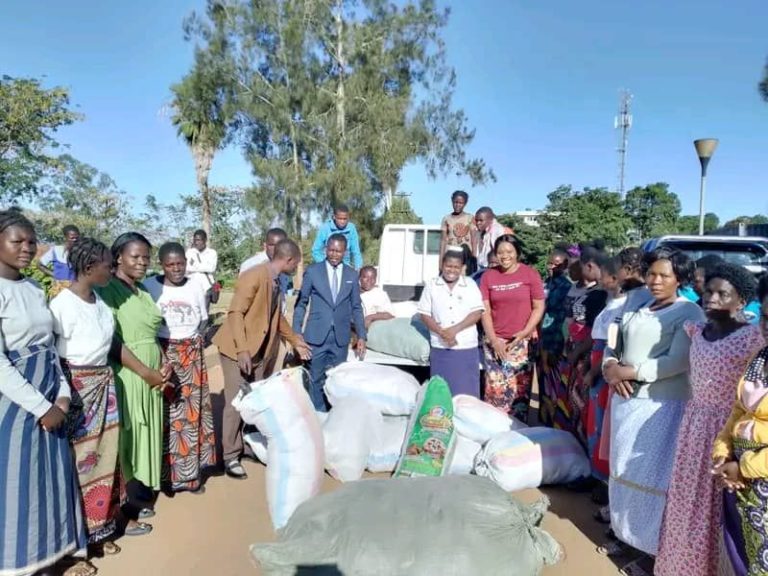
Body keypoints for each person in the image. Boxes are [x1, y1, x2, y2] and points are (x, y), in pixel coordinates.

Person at [599, 248, 705, 570]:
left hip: (660, 408)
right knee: (624, 471)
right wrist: (610, 365)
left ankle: (651, 551)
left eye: (665, 275)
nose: (655, 281)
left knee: (653, 480)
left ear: (680, 279)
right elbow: (613, 341)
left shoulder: (689, 312)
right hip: (626, 402)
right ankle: (626, 535)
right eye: (652, 274)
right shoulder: (640, 305)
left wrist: (629, 372)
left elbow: (677, 361)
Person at [656, 264, 763, 576]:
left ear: (741, 301)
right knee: (687, 501)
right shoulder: (698, 332)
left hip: (726, 431)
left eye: (722, 293)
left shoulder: (751, 338)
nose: (712, 298)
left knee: (716, 506)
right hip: (694, 427)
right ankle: (679, 567)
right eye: (709, 291)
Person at [0, 210, 87, 576]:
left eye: (31, 242)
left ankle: (51, 553)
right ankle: (18, 563)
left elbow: (50, 348)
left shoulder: (35, 288)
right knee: (17, 487)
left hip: (52, 398)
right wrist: (41, 406)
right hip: (16, 405)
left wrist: (63, 395)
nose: (26, 248)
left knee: (49, 482)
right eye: (16, 241)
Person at [50, 238, 132, 570]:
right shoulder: (60, 307)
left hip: (104, 387)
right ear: (88, 268)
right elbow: (52, 359)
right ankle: (75, 545)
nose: (112, 270)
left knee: (105, 460)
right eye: (107, 266)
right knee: (79, 464)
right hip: (75, 392)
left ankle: (100, 530)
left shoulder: (99, 302)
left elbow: (108, 344)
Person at [214, 239, 311, 479]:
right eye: (297, 263)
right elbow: (235, 312)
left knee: (253, 400)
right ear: (288, 260)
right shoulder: (255, 275)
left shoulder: (278, 280)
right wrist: (242, 349)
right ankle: (229, 456)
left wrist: (295, 340)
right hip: (237, 348)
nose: (296, 266)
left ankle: (244, 444)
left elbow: (276, 319)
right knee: (235, 402)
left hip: (258, 349)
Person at [98, 232, 168, 520]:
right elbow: (112, 340)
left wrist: (164, 363)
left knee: (149, 431)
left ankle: (143, 485)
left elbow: (151, 334)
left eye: (145, 258)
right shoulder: (108, 290)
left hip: (153, 372)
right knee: (131, 435)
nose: (142, 263)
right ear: (118, 258)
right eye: (135, 257)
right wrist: (145, 371)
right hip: (129, 373)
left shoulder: (142, 290)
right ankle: (129, 496)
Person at [145, 243, 216, 495]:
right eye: (170, 264)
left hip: (192, 355)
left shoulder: (197, 285)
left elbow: (204, 319)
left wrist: (195, 344)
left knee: (193, 414)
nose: (176, 269)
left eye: (180, 264)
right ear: (161, 264)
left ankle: (190, 476)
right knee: (168, 416)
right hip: (164, 354)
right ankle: (166, 477)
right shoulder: (150, 287)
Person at [712, 274, 768, 576]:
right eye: (767, 318)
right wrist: (723, 452)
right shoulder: (760, 357)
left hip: (758, 474)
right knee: (741, 551)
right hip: (738, 474)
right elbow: (738, 411)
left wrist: (744, 467)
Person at [294, 234, 367, 411]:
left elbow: (356, 307)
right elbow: (301, 304)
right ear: (326, 249)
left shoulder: (351, 275)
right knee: (315, 378)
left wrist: (361, 335)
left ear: (345, 252)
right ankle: (318, 416)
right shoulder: (313, 271)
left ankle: (335, 416)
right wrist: (297, 333)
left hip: (340, 338)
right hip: (316, 336)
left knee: (338, 379)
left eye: (339, 251)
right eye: (331, 250)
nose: (334, 255)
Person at [479, 234, 545, 420]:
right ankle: (495, 434)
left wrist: (525, 331)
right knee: (496, 392)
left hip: (521, 343)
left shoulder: (530, 274)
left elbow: (538, 306)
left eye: (509, 251)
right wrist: (494, 340)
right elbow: (485, 311)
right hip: (495, 343)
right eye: (500, 252)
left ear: (517, 253)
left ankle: (517, 435)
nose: (504, 256)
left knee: (518, 392)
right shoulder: (488, 277)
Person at [557, 244, 608, 445]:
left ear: (589, 266)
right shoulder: (591, 291)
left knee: (581, 404)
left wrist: (577, 351)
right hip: (574, 352)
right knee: (570, 402)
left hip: (585, 356)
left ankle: (579, 447)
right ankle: (569, 443)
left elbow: (596, 332)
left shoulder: (601, 294)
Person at [418, 251, 485, 397]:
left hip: (465, 348)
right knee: (440, 393)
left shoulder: (470, 284)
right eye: (449, 266)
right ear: (442, 265)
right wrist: (443, 333)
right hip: (440, 348)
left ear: (462, 268)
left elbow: (477, 313)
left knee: (467, 395)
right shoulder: (432, 285)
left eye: (456, 267)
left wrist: (454, 330)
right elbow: (424, 314)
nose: (452, 270)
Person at [538, 248, 573, 427]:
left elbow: (560, 322)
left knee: (555, 392)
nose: (551, 267)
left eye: (555, 264)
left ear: (565, 265)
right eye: (549, 263)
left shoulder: (565, 287)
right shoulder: (548, 283)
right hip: (543, 341)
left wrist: (552, 349)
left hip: (554, 345)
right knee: (544, 389)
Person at [311, 204, 363, 270]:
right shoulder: (325, 228)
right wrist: (325, 264)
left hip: (345, 266)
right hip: (327, 265)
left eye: (345, 219)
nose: (342, 221)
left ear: (348, 217)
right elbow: (315, 251)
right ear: (334, 217)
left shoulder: (351, 228)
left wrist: (358, 268)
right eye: (340, 219)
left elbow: (356, 251)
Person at [37, 223, 80, 298]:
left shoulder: (80, 253)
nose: (75, 240)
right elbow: (39, 264)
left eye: (77, 238)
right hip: (58, 289)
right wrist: (55, 274)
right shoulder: (56, 250)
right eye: (72, 238)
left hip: (74, 289)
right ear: (65, 237)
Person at [439, 190, 476, 261]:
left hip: (466, 257)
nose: (457, 205)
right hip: (451, 256)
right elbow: (443, 240)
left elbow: (474, 239)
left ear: (465, 204)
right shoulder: (446, 219)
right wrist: (441, 261)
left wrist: (474, 258)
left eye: (461, 203)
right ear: (452, 201)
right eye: (455, 202)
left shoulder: (470, 218)